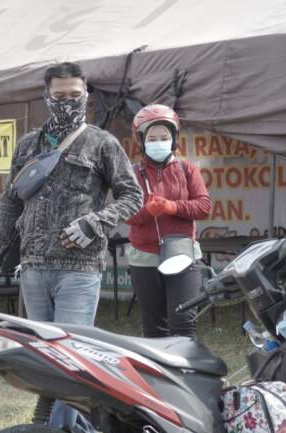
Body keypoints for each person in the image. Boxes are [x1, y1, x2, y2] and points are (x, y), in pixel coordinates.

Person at [0, 62, 142, 431]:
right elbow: (11, 206)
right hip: (34, 267)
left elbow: (132, 196)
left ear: (87, 96)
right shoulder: (28, 145)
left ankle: (67, 425)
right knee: (45, 356)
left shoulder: (102, 143)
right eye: (60, 95)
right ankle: (52, 423)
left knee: (70, 355)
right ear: (46, 97)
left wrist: (94, 223)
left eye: (75, 95)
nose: (68, 102)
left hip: (79, 268)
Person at [126, 104, 212, 338]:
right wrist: (148, 211)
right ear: (141, 140)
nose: (159, 143)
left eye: (164, 137)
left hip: (182, 253)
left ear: (173, 138)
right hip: (145, 258)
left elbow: (204, 207)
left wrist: (172, 207)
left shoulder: (187, 169)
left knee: (183, 321)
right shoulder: (131, 173)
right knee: (155, 328)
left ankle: (186, 362)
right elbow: (127, 215)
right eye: (152, 138)